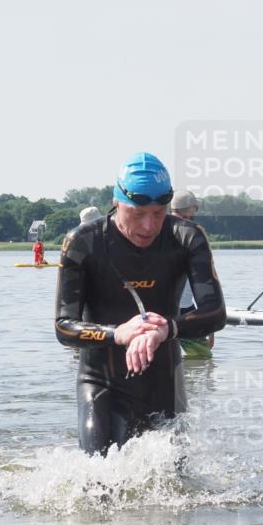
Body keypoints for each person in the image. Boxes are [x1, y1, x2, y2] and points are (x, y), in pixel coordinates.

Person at [55, 152, 226, 455]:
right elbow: (63, 327)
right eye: (137, 214)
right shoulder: (83, 242)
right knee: (98, 477)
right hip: (100, 381)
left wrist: (167, 329)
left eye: (159, 213)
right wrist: (117, 334)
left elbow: (216, 314)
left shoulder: (186, 236)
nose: (149, 226)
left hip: (164, 382)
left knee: (176, 486)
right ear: (116, 201)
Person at [171, 190, 215, 355]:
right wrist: (210, 326)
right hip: (184, 314)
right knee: (203, 359)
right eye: (194, 211)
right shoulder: (193, 237)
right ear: (190, 210)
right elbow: (204, 286)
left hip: (170, 312)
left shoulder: (157, 233)